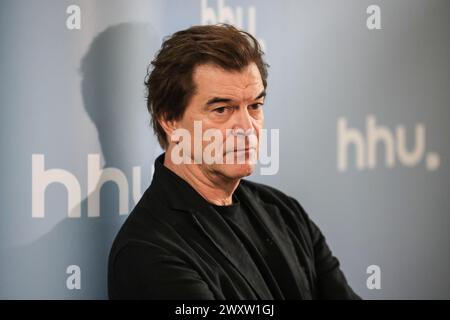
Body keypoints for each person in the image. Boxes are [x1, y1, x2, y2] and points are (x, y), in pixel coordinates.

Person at [108, 24, 360, 300]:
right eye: (222, 109)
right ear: (170, 120)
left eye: (255, 106)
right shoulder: (149, 250)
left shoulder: (284, 212)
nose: (246, 127)